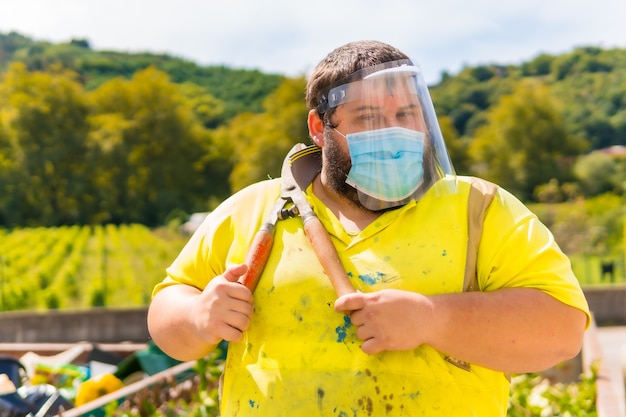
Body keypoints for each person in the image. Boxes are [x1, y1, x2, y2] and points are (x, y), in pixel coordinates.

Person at [147, 40, 590, 416]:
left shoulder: (482, 209)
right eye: (369, 118)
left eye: (408, 114)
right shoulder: (252, 210)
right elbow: (167, 314)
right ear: (320, 128)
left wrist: (433, 319)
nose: (393, 132)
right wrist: (197, 317)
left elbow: (562, 332)